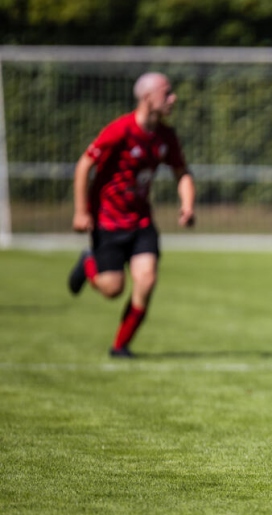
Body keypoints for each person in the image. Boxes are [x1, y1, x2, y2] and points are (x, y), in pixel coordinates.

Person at [68, 72, 196, 358]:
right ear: (149, 98)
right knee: (112, 288)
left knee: (147, 279)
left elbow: (181, 172)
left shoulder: (166, 136)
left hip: (140, 222)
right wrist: (81, 212)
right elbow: (83, 165)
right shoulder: (120, 130)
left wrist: (187, 205)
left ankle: (120, 346)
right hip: (108, 222)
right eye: (167, 92)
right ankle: (88, 261)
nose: (173, 98)